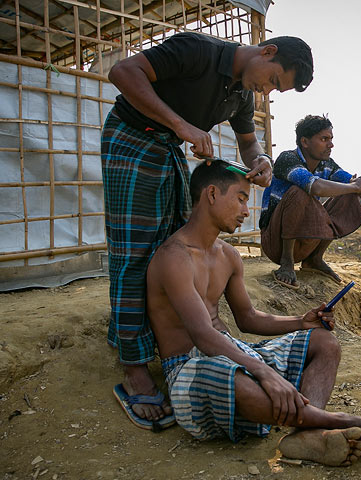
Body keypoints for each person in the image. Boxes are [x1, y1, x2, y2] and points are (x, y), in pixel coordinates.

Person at [102, 32, 314, 427]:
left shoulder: (241, 95)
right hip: (131, 139)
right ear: (267, 52)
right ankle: (133, 367)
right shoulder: (198, 51)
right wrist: (181, 125)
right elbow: (122, 72)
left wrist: (262, 160)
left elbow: (249, 145)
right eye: (272, 80)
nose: (267, 90)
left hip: (166, 147)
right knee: (133, 253)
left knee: (167, 246)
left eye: (275, 89)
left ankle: (153, 342)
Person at [145, 161, 361, 466]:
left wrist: (301, 322)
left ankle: (306, 434)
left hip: (234, 351)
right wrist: (264, 372)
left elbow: (248, 319)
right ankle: (345, 422)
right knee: (248, 389)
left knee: (323, 342)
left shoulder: (228, 256)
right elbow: (203, 335)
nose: (246, 211)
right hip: (190, 367)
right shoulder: (173, 258)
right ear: (212, 194)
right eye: (241, 198)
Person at [259, 115, 361, 289]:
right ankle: (287, 263)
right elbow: (316, 187)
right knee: (300, 191)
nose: (331, 145)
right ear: (304, 142)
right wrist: (355, 187)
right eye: (324, 139)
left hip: (306, 241)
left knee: (348, 190)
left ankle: (314, 258)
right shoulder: (287, 159)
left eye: (331, 139)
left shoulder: (327, 165)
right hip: (275, 243)